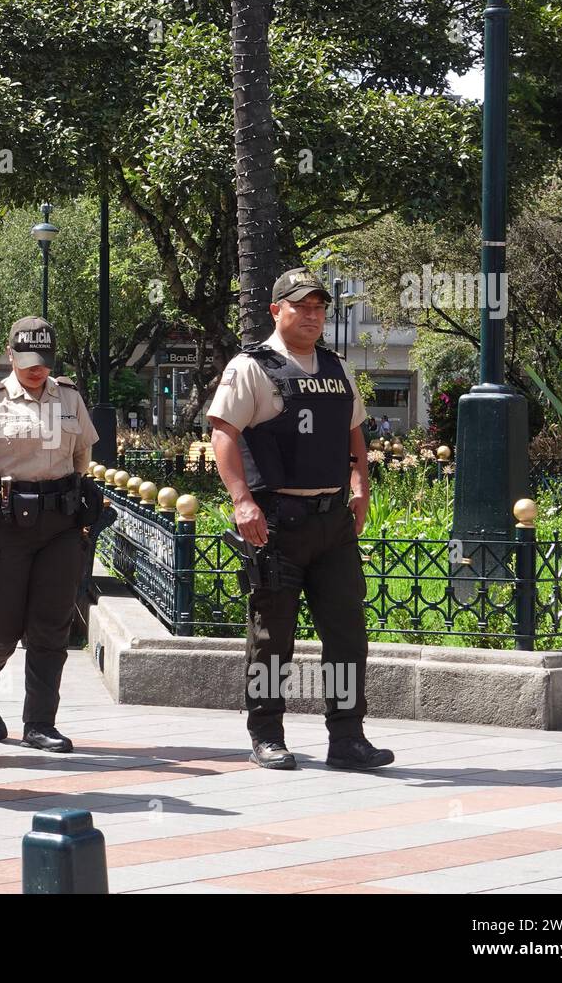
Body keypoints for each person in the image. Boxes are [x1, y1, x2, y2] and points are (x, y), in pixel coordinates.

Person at [207, 267, 393, 772]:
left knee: (347, 632)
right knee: (272, 636)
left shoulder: (336, 366)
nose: (312, 316)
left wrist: (360, 484)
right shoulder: (252, 367)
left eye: (319, 308)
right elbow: (223, 433)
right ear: (276, 310)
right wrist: (242, 502)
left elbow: (354, 429)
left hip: (332, 522)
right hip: (276, 524)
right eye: (301, 307)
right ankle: (266, 733)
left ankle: (348, 737)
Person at [0, 317, 100, 753]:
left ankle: (40, 722)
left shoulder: (71, 398)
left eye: (43, 362)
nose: (36, 370)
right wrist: (6, 498)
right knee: (0, 623)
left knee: (50, 625)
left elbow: (81, 459)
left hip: (60, 524)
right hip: (7, 524)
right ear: (10, 355)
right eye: (27, 361)